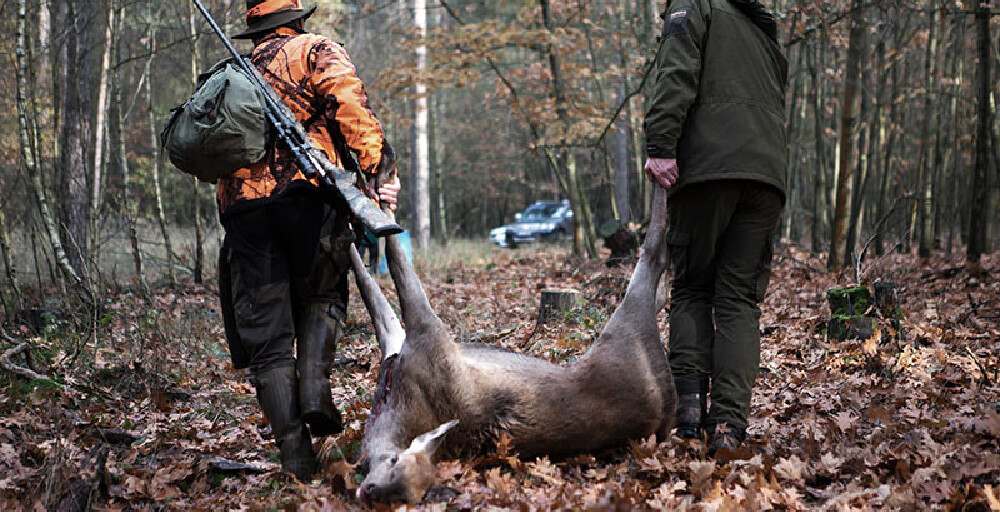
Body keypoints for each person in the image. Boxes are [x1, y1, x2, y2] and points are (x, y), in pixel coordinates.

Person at [217, 0, 401, 480]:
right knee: (322, 292)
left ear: (256, 30)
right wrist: (379, 171)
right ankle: (316, 390)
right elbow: (351, 110)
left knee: (268, 337)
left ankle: (294, 453)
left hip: (242, 211)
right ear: (296, 20)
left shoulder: (232, 72)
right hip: (308, 196)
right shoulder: (316, 50)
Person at [643, 0, 787, 453]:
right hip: (765, 176)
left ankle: (687, 417)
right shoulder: (761, 27)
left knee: (693, 289)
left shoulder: (693, 5)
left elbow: (676, 75)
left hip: (707, 170)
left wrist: (661, 142)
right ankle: (728, 427)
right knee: (740, 301)